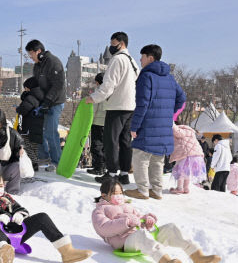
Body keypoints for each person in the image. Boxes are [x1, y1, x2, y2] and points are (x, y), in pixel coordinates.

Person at [92, 177, 221, 263]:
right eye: (115, 193)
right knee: (141, 235)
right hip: (124, 242)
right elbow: (103, 228)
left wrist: (147, 220)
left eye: (120, 193)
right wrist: (126, 222)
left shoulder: (127, 205)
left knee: (171, 228)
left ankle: (198, 258)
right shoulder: (100, 211)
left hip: (141, 234)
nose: (119, 196)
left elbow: (138, 218)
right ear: (104, 195)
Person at [0, 170, 91, 263]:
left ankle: (67, 252)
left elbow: (20, 208)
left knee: (42, 218)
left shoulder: (7, 198)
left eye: (0, 185)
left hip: (14, 234)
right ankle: (5, 256)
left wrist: (20, 214)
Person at [124, 44, 185, 200]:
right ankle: (157, 190)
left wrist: (134, 126)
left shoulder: (146, 76)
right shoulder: (170, 77)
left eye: (142, 56)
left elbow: (142, 104)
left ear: (150, 58)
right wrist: (168, 113)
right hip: (164, 126)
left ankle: (142, 190)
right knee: (158, 159)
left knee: (140, 157)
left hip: (148, 124)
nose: (140, 59)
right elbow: (182, 98)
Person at [85, 32, 139, 185]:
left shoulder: (117, 60)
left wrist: (93, 98)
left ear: (121, 43)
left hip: (117, 105)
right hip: (130, 106)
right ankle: (123, 173)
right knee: (125, 141)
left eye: (112, 43)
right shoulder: (132, 61)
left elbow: (108, 85)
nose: (110, 47)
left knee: (111, 141)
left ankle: (111, 173)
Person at [25, 40, 65, 170]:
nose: (30, 57)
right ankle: (43, 157)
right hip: (43, 102)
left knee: (50, 132)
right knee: (38, 131)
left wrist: (48, 101)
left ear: (39, 52)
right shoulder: (37, 66)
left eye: (31, 54)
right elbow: (37, 82)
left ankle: (57, 161)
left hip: (55, 102)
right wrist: (28, 85)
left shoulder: (53, 62)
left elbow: (58, 84)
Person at [167, 123, 206, 194]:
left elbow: (177, 132)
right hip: (196, 153)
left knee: (180, 171)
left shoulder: (181, 130)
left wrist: (171, 122)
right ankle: (186, 188)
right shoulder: (190, 131)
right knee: (186, 171)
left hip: (186, 154)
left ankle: (180, 188)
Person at [16, 77, 44, 171]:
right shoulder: (40, 97)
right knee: (35, 146)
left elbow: (24, 109)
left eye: (26, 88)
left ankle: (34, 163)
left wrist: (17, 109)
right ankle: (35, 163)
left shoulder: (31, 97)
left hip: (29, 126)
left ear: (29, 88)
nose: (25, 90)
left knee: (25, 144)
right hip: (38, 126)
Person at [87, 73, 106, 175]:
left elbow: (94, 108)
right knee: (105, 146)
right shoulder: (110, 90)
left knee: (96, 145)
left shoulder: (98, 91)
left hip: (97, 122)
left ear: (97, 82)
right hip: (107, 122)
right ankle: (104, 166)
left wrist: (89, 121)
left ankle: (98, 167)